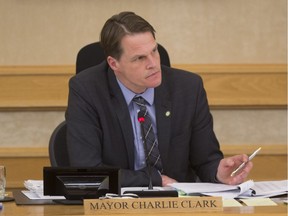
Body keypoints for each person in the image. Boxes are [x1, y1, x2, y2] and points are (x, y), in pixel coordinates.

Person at [66, 11, 253, 187]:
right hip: (114, 205)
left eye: (154, 51)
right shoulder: (86, 90)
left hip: (177, 204)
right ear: (114, 63)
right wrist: (154, 179)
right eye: (140, 58)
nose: (154, 64)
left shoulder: (188, 88)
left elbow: (204, 160)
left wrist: (218, 172)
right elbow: (88, 172)